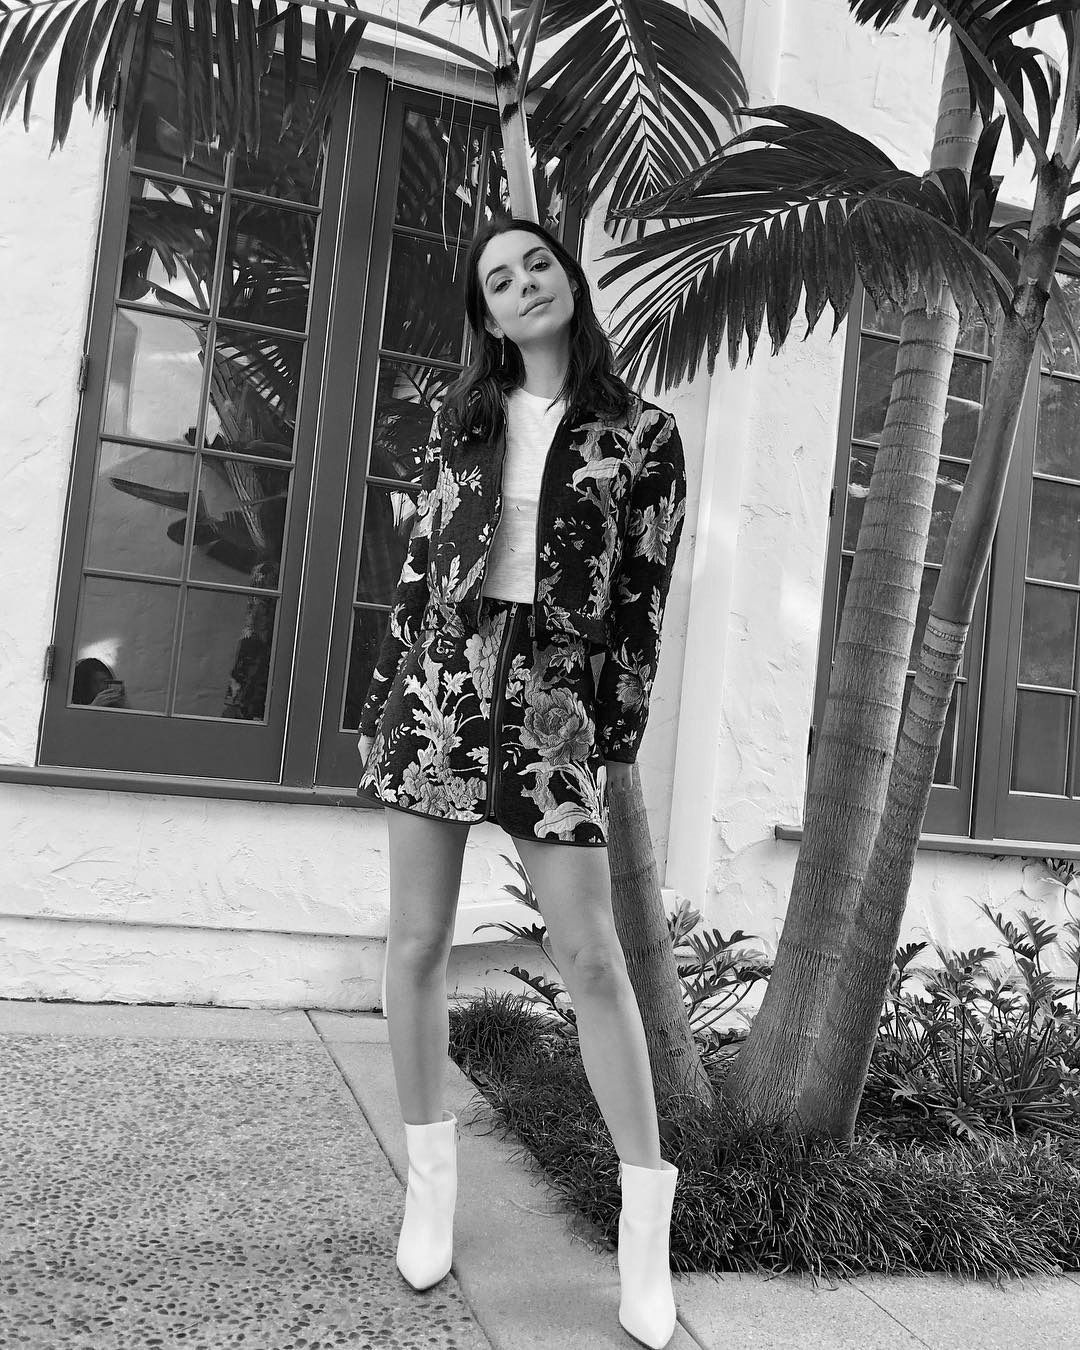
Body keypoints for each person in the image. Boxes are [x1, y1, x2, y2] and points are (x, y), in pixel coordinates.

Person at [356, 217, 687, 1350]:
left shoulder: (643, 432)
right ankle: (429, 1191)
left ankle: (646, 1237)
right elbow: (417, 571)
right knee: (416, 944)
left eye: (536, 263)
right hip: (443, 688)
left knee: (592, 956)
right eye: (498, 279)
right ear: (486, 315)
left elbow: (642, 600)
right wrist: (387, 701)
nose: (523, 284)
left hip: (554, 700)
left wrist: (610, 736)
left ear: (568, 280)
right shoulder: (458, 419)